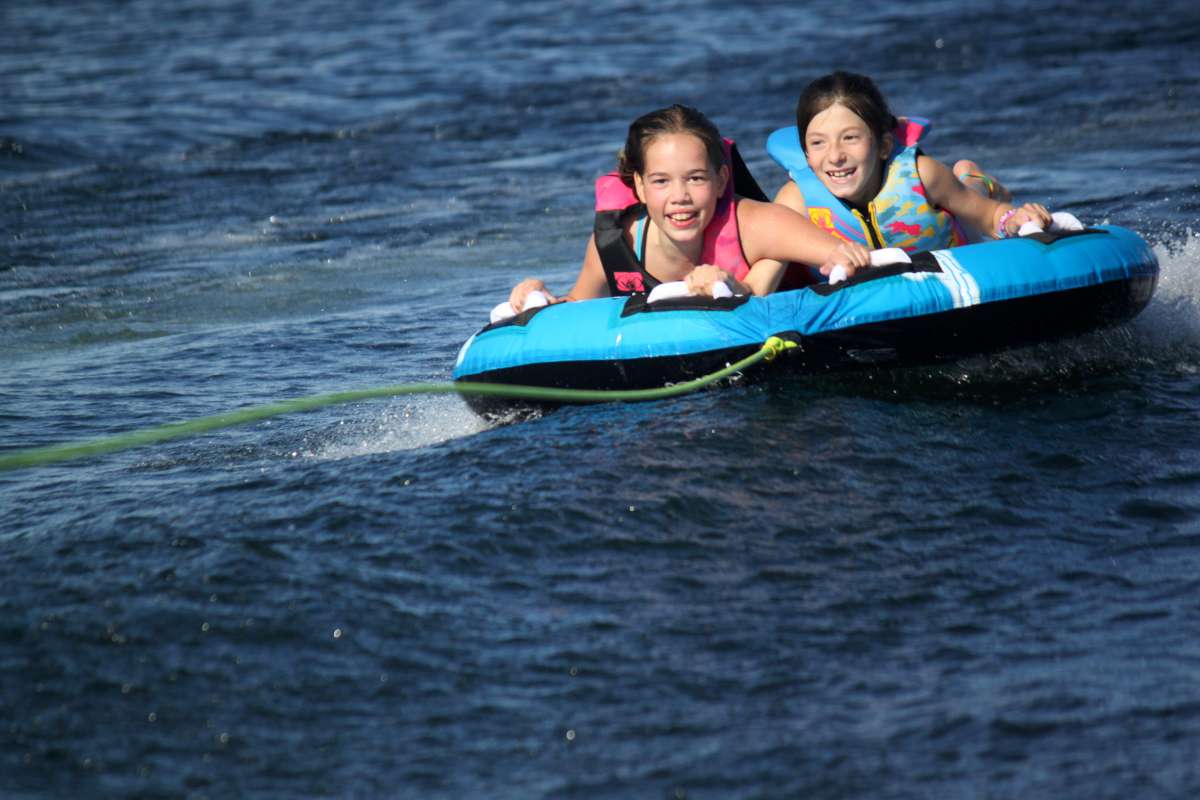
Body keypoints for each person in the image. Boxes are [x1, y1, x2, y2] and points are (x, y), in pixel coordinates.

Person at [507, 104, 871, 314]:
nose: (680, 196)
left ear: (721, 179)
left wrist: (746, 280)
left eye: (696, 178)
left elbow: (848, 257)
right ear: (639, 186)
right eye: (662, 181)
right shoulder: (614, 245)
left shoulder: (757, 225)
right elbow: (577, 306)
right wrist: (540, 298)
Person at [769, 71, 1053, 273]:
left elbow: (988, 216)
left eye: (851, 138)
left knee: (967, 198)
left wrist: (1013, 219)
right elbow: (769, 262)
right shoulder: (796, 203)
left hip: (955, 237)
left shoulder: (921, 175)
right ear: (806, 153)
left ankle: (975, 178)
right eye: (818, 143)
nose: (835, 156)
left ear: (883, 145)